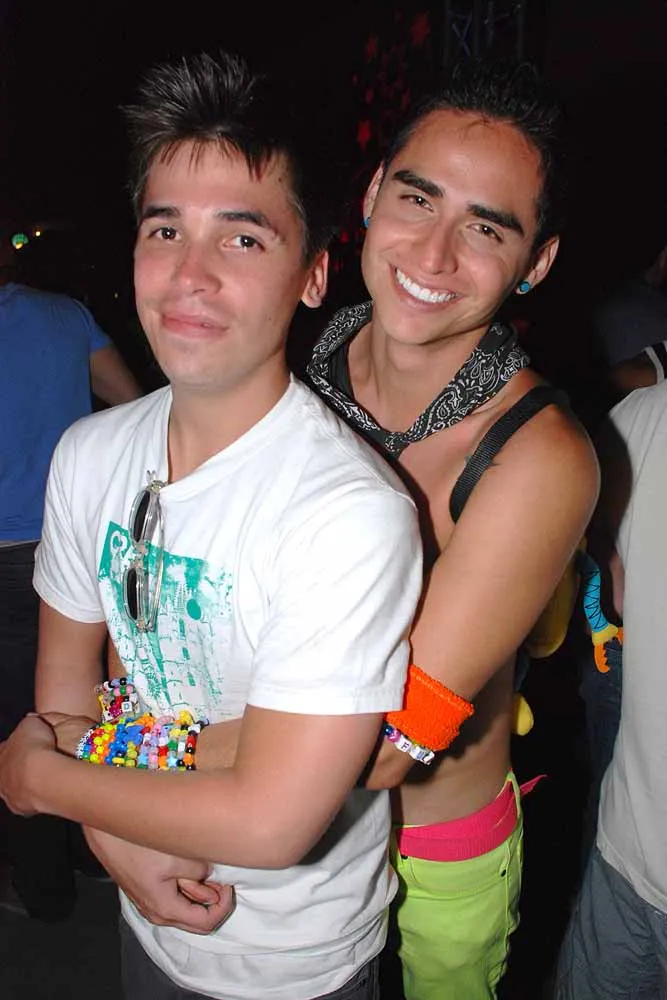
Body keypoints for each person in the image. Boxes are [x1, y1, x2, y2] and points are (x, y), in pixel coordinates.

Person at [0, 50, 423, 1000]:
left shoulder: (348, 513)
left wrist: (36, 781)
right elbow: (69, 688)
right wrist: (115, 840)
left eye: (241, 238)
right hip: (145, 914)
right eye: (165, 230)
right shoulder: (90, 455)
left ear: (312, 275)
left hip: (294, 959)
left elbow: (273, 819)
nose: (188, 275)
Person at [304, 62, 599, 1000]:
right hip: (294, 835)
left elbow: (393, 743)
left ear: (535, 263)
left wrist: (121, 780)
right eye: (416, 199)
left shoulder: (539, 455)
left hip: (438, 842)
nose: (432, 257)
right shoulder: (292, 369)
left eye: (484, 228)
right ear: (370, 195)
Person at [0, 274, 142, 920]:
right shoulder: (65, 316)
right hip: (77, 542)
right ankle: (95, 850)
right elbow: (132, 403)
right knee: (85, 699)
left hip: (8, 555)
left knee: (19, 720)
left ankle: (44, 888)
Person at [555, 379, 667, 999]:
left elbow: (610, 576)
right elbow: (608, 580)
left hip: (624, 852)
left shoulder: (641, 417)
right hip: (622, 855)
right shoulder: (641, 416)